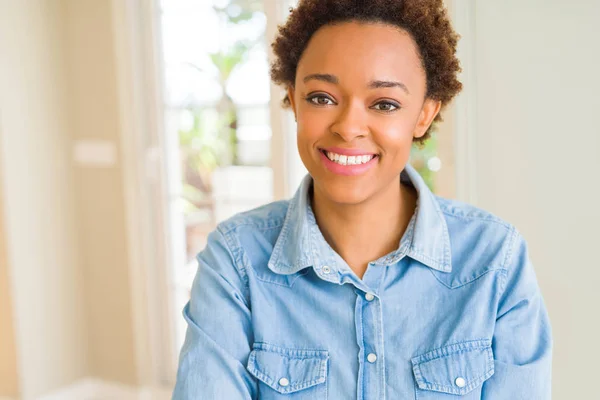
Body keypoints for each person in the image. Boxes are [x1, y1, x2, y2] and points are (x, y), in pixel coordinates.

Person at [172, 0, 553, 398]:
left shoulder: (495, 261)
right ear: (293, 99)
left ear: (424, 114)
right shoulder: (235, 261)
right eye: (321, 97)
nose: (349, 127)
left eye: (384, 104)